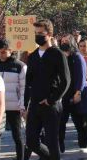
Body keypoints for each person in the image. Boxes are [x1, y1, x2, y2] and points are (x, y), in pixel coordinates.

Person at [24, 20, 70, 160]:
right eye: (35, 33)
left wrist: (52, 99)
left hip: (51, 105)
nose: (37, 36)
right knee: (31, 141)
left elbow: (66, 81)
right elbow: (28, 82)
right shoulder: (32, 57)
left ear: (49, 34)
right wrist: (26, 105)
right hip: (35, 105)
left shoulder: (58, 54)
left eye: (40, 33)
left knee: (51, 141)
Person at [0, 39, 28, 160]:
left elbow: (24, 89)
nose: (0, 55)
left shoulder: (20, 66)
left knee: (17, 136)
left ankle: (21, 158)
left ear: (10, 51)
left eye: (3, 52)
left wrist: (22, 105)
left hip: (15, 107)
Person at [57, 35, 87, 153]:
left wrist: (78, 92)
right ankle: (59, 145)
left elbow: (81, 76)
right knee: (61, 122)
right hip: (64, 96)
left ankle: (84, 145)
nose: (64, 42)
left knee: (80, 123)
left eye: (67, 41)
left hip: (77, 95)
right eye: (63, 41)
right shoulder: (61, 57)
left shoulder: (77, 57)